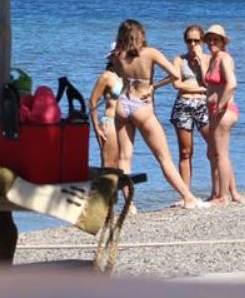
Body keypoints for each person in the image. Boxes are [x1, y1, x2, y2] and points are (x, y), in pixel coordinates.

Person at [109, 19, 205, 209]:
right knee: (163, 157)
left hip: (123, 104)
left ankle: (129, 205)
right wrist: (154, 86)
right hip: (142, 106)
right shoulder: (150, 53)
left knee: (124, 158)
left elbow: (119, 76)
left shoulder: (117, 54)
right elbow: (175, 75)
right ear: (140, 34)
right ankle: (188, 198)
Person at [156, 24, 214, 192]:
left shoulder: (209, 59)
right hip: (184, 105)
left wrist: (200, 61)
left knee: (214, 147)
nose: (193, 44)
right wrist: (200, 89)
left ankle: (217, 190)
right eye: (189, 41)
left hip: (203, 105)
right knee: (185, 152)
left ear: (202, 41)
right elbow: (177, 84)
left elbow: (208, 83)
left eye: (196, 40)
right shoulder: (179, 60)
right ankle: (185, 193)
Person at [203, 24, 243, 204]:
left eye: (216, 39)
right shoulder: (213, 58)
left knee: (221, 154)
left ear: (223, 42)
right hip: (214, 111)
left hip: (224, 111)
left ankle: (222, 196)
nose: (212, 42)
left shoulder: (225, 58)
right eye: (209, 39)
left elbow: (232, 83)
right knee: (213, 153)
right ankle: (218, 193)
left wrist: (221, 104)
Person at [88, 59, 124, 169]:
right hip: (110, 123)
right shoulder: (107, 76)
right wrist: (96, 128)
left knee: (120, 166)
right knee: (109, 165)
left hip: (125, 125)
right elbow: (93, 101)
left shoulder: (128, 75)